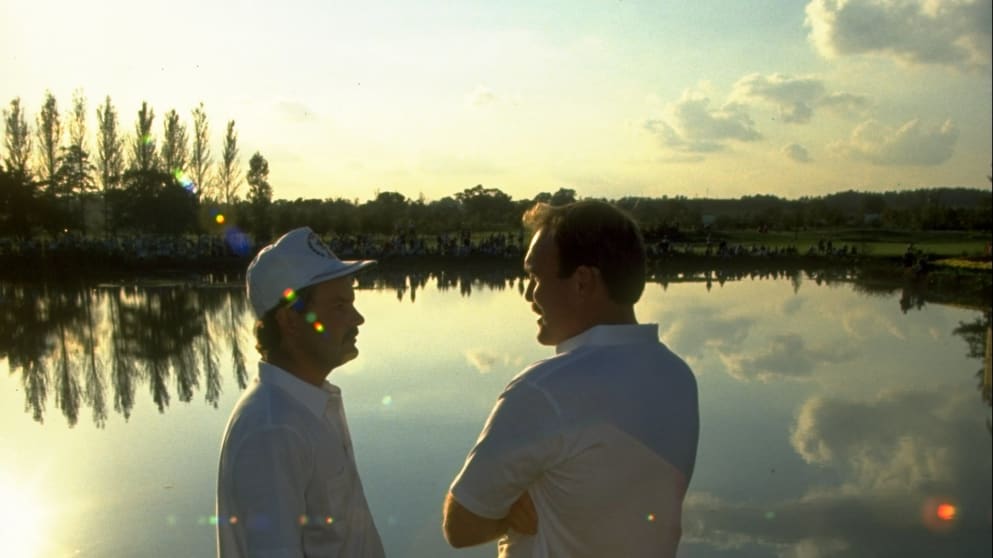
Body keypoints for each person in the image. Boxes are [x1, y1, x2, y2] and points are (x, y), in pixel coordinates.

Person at [442, 200, 699, 557]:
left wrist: (507, 512)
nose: (528, 295)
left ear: (582, 282)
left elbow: (460, 525)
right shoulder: (678, 377)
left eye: (535, 278)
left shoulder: (544, 391)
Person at [217, 226, 385, 558]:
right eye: (339, 306)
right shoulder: (273, 430)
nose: (357, 319)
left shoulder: (307, 407)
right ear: (290, 321)